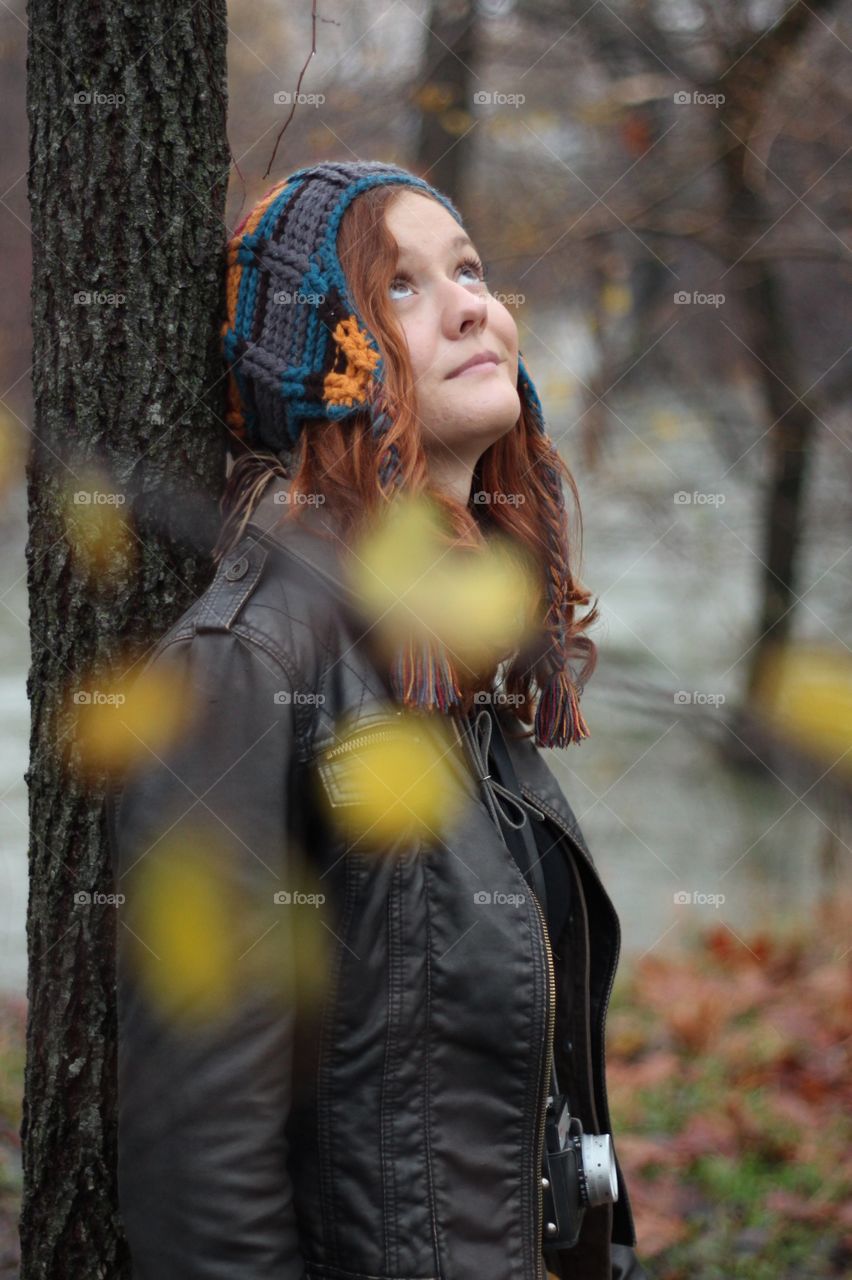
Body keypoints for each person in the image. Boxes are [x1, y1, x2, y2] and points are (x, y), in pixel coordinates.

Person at [108, 160, 649, 1280]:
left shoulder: (445, 653)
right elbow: (198, 1167)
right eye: (399, 287)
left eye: (469, 269)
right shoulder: (250, 662)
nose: (471, 305)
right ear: (321, 371)